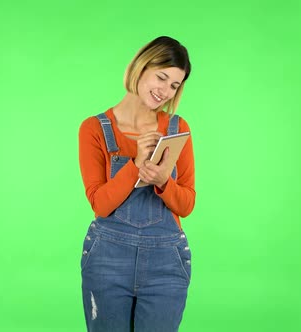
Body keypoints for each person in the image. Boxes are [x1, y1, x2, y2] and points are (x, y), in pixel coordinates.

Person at [78, 36, 195, 332]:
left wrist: (162, 183)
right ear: (141, 67)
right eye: (161, 77)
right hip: (107, 261)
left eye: (174, 85)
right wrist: (136, 167)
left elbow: (187, 204)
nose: (165, 90)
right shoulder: (94, 129)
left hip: (165, 264)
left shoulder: (176, 129)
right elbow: (100, 204)